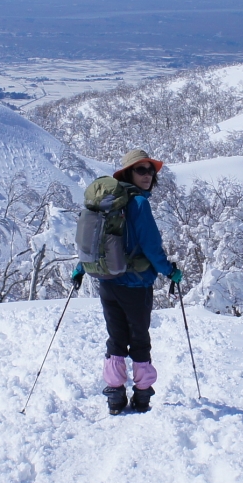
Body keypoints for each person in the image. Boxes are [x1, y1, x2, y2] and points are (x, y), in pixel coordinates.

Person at [72, 148, 183, 414]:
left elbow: (95, 241)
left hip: (108, 282)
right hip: (136, 285)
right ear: (128, 173)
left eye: (151, 171)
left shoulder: (108, 203)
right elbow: (151, 246)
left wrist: (81, 267)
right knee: (139, 338)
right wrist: (169, 271)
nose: (148, 176)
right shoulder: (139, 204)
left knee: (116, 338)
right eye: (141, 170)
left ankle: (115, 396)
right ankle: (142, 395)